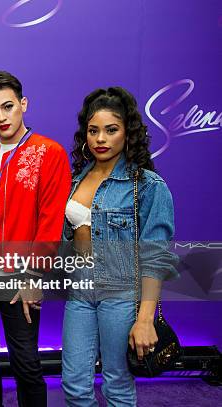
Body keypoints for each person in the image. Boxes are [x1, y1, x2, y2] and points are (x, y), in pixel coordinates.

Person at [0, 71, 71, 406]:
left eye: (8, 107)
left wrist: (36, 274)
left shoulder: (49, 153)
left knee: (25, 362)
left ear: (23, 104)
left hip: (19, 271)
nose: (1, 117)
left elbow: (51, 220)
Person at [61, 87, 178, 406]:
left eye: (111, 130)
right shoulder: (76, 179)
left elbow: (155, 259)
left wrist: (144, 319)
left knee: (117, 385)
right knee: (74, 385)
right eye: (93, 130)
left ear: (128, 133)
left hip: (121, 296)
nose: (101, 138)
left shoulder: (148, 186)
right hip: (80, 293)